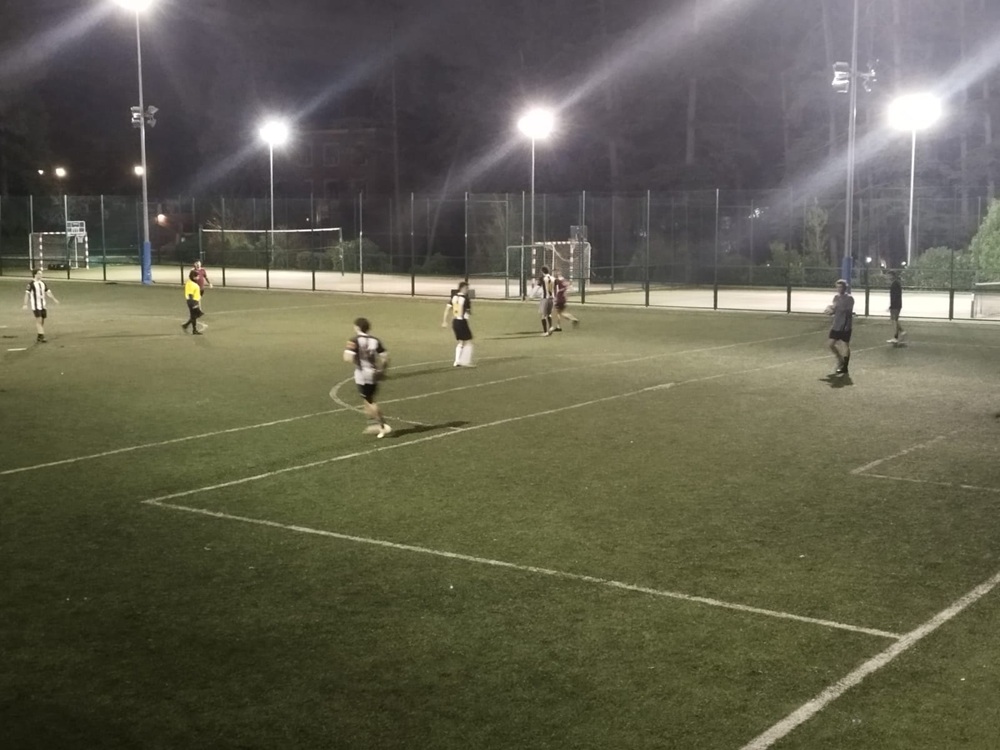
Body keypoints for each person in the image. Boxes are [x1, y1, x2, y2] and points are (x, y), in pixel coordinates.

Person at [343, 317, 392, 438]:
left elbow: (348, 358)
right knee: (367, 399)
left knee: (370, 401)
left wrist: (357, 361)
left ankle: (382, 425)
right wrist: (382, 371)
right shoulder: (375, 340)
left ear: (357, 327)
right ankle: (373, 424)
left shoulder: (354, 340)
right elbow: (385, 358)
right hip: (373, 373)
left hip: (362, 374)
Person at [825, 278, 854, 376]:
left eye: (841, 287)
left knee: (845, 345)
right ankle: (840, 359)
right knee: (830, 344)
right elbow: (835, 309)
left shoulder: (849, 298)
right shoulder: (836, 298)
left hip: (845, 325)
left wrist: (846, 325)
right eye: (837, 287)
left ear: (845, 288)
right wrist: (830, 310)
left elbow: (848, 312)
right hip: (836, 324)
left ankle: (845, 367)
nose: (839, 289)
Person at [441, 281, 474, 366]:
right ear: (462, 288)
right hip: (462, 322)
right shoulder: (466, 299)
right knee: (467, 341)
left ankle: (457, 361)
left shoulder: (454, 297)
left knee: (461, 342)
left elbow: (447, 310)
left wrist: (444, 321)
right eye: (466, 288)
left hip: (455, 322)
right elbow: (468, 312)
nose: (467, 290)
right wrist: (468, 312)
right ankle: (465, 361)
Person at [22, 268, 59, 343]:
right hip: (36, 306)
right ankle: (42, 336)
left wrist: (54, 299)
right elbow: (27, 294)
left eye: (41, 273)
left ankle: (39, 335)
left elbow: (48, 292)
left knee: (42, 320)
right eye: (39, 273)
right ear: (35, 274)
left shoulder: (43, 283)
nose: (41, 275)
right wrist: (25, 304)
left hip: (43, 305)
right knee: (38, 320)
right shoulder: (31, 284)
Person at [532, 265, 556, 336]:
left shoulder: (542, 278)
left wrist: (531, 296)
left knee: (543, 315)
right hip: (552, 298)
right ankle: (550, 327)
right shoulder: (553, 278)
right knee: (549, 314)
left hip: (545, 299)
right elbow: (556, 289)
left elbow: (536, 288)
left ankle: (545, 332)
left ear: (542, 271)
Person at [181, 269, 204, 335]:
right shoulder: (192, 285)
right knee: (197, 315)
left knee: (194, 315)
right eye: (197, 276)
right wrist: (194, 305)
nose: (198, 277)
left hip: (192, 301)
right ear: (194, 277)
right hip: (193, 302)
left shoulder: (189, 282)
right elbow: (190, 295)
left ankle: (188, 326)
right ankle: (191, 328)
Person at [887, 270, 906, 344]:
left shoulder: (895, 284)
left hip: (896, 305)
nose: (888, 277)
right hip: (896, 304)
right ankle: (902, 332)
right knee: (895, 320)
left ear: (892, 276)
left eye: (889, 275)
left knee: (894, 320)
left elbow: (895, 296)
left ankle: (896, 336)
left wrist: (892, 305)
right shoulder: (896, 283)